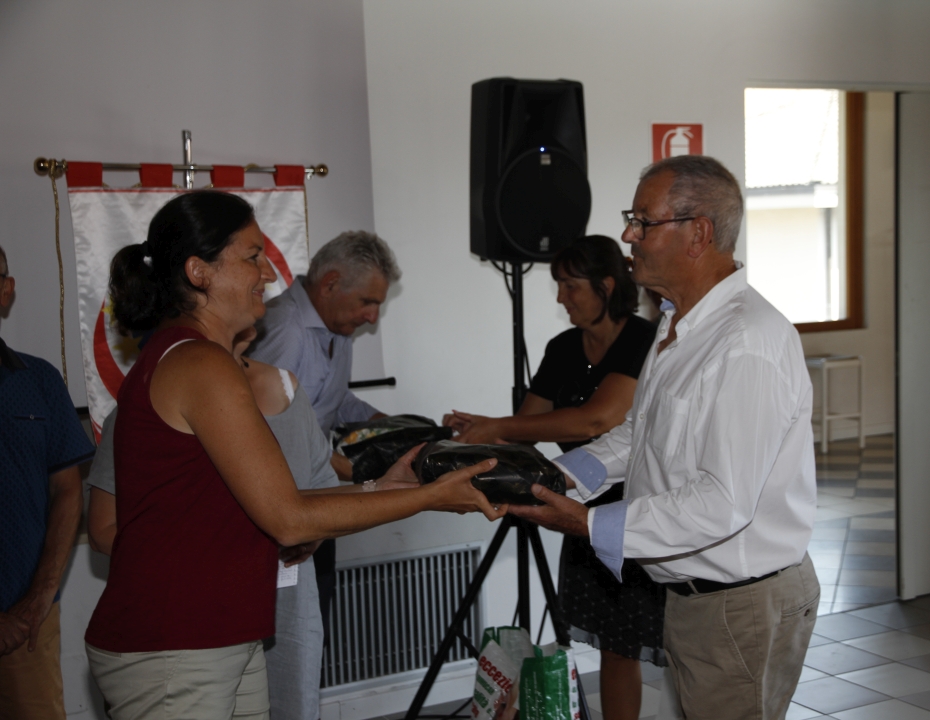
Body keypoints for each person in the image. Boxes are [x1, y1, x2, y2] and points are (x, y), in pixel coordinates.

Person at [84, 190, 504, 720]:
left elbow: (277, 500)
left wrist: (385, 486)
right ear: (199, 271)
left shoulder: (198, 359)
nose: (267, 273)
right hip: (176, 641)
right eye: (252, 256)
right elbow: (288, 518)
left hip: (221, 633)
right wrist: (427, 497)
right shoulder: (199, 363)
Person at [510, 156, 819, 720]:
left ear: (698, 233)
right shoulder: (678, 323)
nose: (628, 236)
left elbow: (722, 501)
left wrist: (589, 524)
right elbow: (640, 435)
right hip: (694, 596)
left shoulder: (746, 341)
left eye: (642, 221)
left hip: (739, 603)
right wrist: (555, 477)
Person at [85, 327, 399, 720]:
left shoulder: (287, 389)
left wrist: (386, 492)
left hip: (279, 609)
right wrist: (224, 555)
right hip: (192, 624)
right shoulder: (153, 399)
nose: (259, 296)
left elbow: (316, 496)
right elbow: (103, 528)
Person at [443, 235, 664, 720]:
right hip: (578, 507)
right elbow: (526, 427)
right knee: (608, 640)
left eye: (570, 285)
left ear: (607, 285)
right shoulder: (563, 347)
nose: (561, 297)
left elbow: (596, 420)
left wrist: (498, 426)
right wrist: (476, 435)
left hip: (633, 513)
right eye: (558, 285)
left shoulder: (643, 339)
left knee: (627, 644)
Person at [248, 230, 399, 643]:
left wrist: (399, 428)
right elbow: (270, 431)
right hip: (279, 512)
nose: (373, 317)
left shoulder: (338, 328)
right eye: (367, 301)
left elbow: (334, 401)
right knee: (281, 642)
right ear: (330, 284)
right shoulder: (284, 328)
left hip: (318, 503)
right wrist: (356, 472)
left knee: (312, 633)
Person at [0, 244, 97, 720]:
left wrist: (37, 599)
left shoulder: (38, 379)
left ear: (6, 290)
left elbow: (68, 490)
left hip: (27, 622)